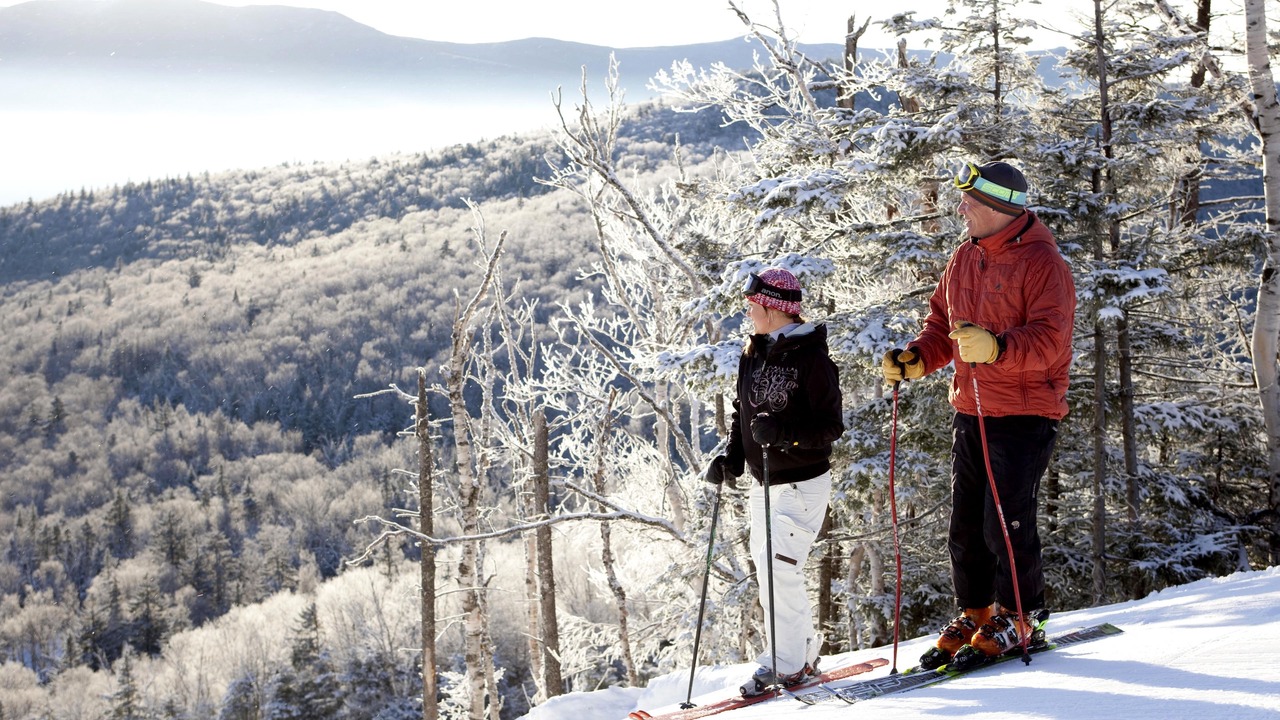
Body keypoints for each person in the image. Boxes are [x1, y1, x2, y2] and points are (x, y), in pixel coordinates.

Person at [881, 160, 1076, 668]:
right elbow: (942, 324)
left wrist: (996, 347)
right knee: (966, 525)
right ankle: (978, 613)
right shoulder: (964, 257)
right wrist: (918, 357)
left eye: (970, 202)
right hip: (972, 408)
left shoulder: (1044, 264)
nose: (961, 208)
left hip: (1026, 412)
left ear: (998, 209)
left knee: (1005, 524)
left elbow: (1052, 342)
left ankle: (1020, 616)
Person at [705, 267, 845, 696]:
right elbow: (741, 412)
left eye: (753, 305)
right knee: (772, 573)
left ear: (773, 308)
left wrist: (786, 435)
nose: (748, 312)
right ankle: (800, 651)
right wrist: (731, 456)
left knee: (779, 570)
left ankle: (785, 663)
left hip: (801, 484)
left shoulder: (812, 358)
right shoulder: (755, 350)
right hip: (762, 482)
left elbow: (830, 427)